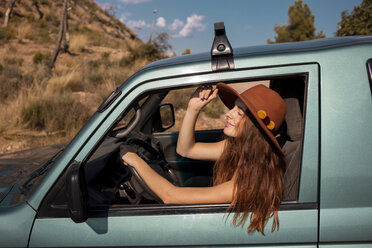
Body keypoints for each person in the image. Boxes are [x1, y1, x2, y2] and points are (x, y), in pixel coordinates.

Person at [121, 82, 287, 234]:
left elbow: (170, 196)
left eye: (239, 113)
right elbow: (186, 149)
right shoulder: (239, 148)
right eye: (233, 108)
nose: (228, 114)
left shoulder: (247, 185)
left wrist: (135, 160)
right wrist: (193, 109)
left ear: (254, 128)